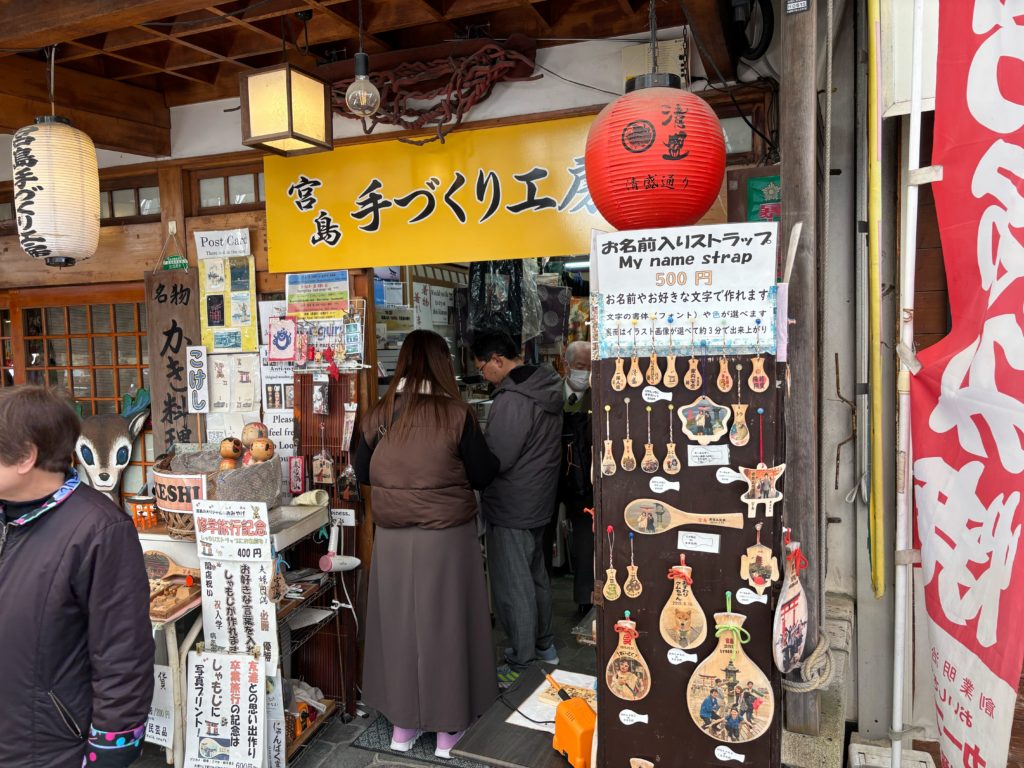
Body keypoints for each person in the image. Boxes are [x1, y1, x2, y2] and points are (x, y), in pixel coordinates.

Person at [355, 330, 500, 760]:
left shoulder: (377, 415)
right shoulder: (457, 414)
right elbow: (483, 473)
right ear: (442, 363)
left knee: (400, 631)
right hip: (447, 540)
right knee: (447, 630)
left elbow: (362, 472)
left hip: (394, 540)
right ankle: (448, 731)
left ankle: (403, 726)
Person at [0, 386, 154, 768]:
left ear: (25, 456)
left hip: (51, 749)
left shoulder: (100, 530)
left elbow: (123, 655)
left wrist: (110, 754)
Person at [471, 330, 563, 688]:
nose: (483, 376)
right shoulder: (546, 384)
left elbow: (498, 458)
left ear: (497, 359)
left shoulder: (513, 399)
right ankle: (544, 646)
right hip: (539, 499)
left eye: (482, 368)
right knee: (536, 574)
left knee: (514, 585)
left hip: (512, 502)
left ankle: (520, 660)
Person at [557, 340, 594, 616]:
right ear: (566, 366)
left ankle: (585, 596)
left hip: (584, 478)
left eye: (591, 367)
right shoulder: (549, 394)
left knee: (584, 538)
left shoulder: (599, 394)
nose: (585, 374)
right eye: (581, 367)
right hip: (550, 474)